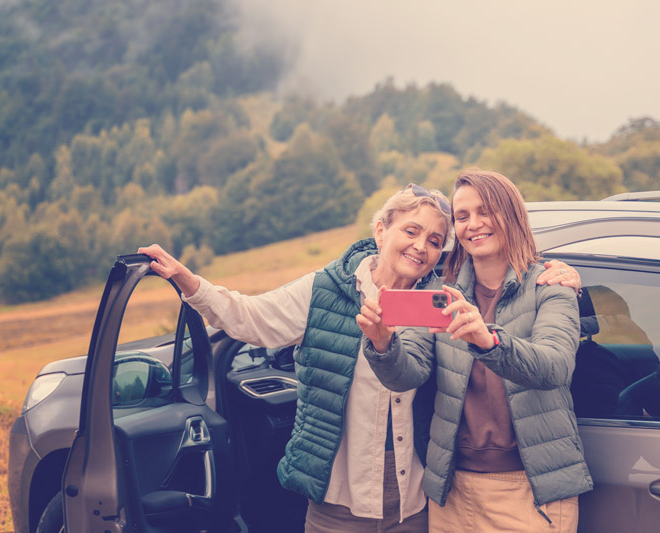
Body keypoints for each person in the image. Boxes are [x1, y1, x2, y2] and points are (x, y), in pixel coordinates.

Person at [139, 183, 578, 533]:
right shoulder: (327, 288)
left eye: (434, 240)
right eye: (410, 231)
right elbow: (252, 319)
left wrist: (569, 278)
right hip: (341, 496)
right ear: (381, 230)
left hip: (418, 498)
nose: (420, 246)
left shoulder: (439, 298)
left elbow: (418, 371)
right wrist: (190, 282)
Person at [359, 169, 593, 533]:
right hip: (453, 492)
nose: (474, 224)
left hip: (530, 492)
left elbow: (555, 366)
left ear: (511, 213)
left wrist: (489, 340)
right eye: (462, 216)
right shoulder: (443, 291)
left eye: (486, 211)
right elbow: (408, 374)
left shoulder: (550, 285)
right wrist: (382, 343)